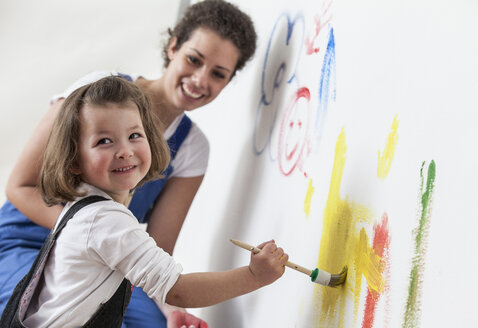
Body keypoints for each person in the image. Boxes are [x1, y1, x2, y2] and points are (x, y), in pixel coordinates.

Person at [0, 0, 257, 327]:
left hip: (109, 257)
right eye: (194, 59)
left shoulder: (192, 148)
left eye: (218, 74)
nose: (199, 79)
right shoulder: (97, 91)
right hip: (27, 242)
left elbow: (156, 254)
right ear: (174, 46)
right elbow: (19, 186)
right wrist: (86, 234)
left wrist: (170, 309)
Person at [3, 76, 287, 327]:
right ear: (75, 160)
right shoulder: (105, 220)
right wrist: (253, 276)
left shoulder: (86, 208)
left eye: (134, 136)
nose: (125, 151)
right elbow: (177, 290)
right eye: (104, 141)